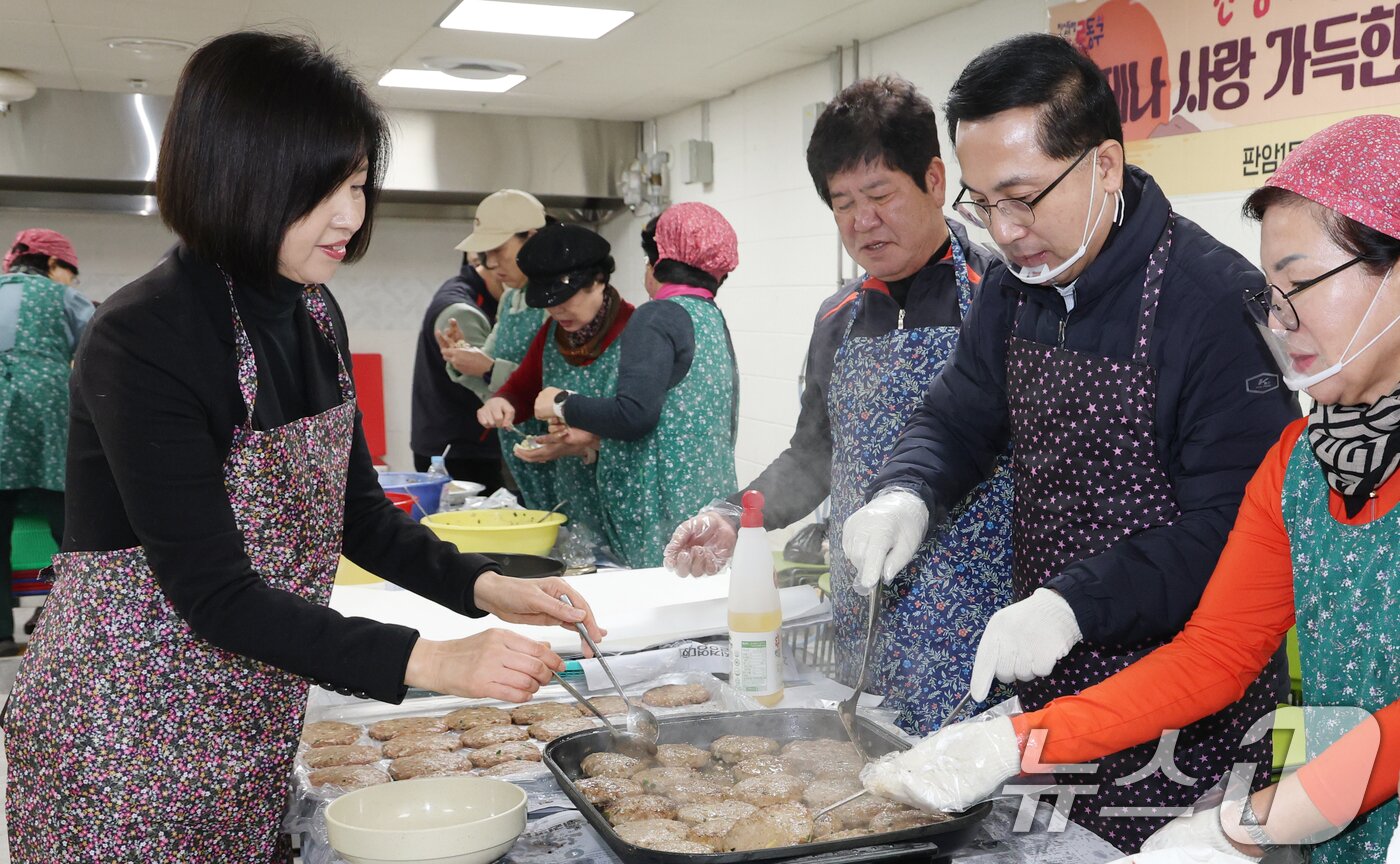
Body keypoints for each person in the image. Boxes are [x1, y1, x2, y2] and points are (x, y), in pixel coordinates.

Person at [0, 32, 603, 861]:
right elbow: (214, 595)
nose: (351, 218)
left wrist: (488, 586)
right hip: (125, 737)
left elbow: (359, 516)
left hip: (247, 708)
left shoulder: (313, 314)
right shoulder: (144, 336)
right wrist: (436, 661)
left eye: (357, 184)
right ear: (238, 176)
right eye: (324, 190)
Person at [861, 114, 1400, 864]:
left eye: (1303, 283)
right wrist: (1013, 742)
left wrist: (1241, 826)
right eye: (1272, 292)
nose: (1283, 321)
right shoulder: (1302, 464)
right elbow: (1214, 655)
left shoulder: (1194, 296)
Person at [664, 76, 1015, 734]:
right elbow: (813, 454)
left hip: (983, 635)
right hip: (865, 634)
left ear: (935, 179)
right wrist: (736, 518)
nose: (862, 221)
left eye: (880, 194)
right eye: (843, 202)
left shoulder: (1003, 298)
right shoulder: (839, 317)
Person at [533, 203, 740, 568]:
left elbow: (634, 415)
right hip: (707, 504)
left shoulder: (655, 315)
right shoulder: (711, 318)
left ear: (658, 263)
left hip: (658, 510)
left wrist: (561, 402)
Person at [477, 223, 636, 554]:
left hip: (628, 499)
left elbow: (645, 422)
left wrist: (588, 442)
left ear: (599, 281)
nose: (556, 310)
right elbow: (523, 387)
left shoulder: (635, 330)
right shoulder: (553, 332)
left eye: (565, 299)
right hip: (576, 497)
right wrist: (502, 402)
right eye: (548, 302)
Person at [0, 228, 93, 657]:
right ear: (53, 265)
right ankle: (77, 623)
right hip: (47, 423)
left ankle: (2, 635)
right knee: (74, 526)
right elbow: (98, 352)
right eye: (70, 274)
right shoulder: (63, 299)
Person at [452, 189, 552, 498]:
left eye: (498, 250)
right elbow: (493, 380)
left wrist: (490, 368)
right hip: (516, 449)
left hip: (557, 450)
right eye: (485, 254)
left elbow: (560, 381)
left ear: (532, 238)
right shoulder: (510, 298)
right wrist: (465, 359)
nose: (492, 264)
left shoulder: (560, 300)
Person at [409, 249, 503, 488]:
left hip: (456, 442)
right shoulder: (461, 311)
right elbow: (488, 386)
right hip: (461, 449)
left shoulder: (472, 293)